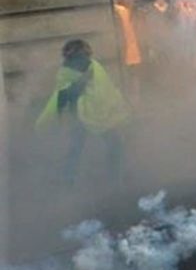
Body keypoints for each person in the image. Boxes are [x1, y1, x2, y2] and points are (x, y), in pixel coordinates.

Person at [36, 39, 129, 180]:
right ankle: (114, 179)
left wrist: (57, 114)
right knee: (114, 144)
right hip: (97, 114)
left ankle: (68, 179)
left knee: (76, 148)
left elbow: (63, 95)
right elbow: (102, 89)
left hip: (81, 115)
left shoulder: (68, 70)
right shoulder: (92, 65)